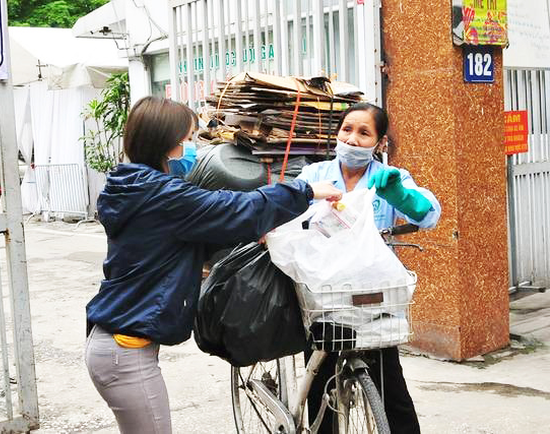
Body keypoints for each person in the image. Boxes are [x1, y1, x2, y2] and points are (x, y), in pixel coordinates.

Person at [84, 96, 342, 434]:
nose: (191, 148)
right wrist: (303, 190)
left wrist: (253, 233)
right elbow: (234, 207)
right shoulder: (162, 195)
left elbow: (183, 241)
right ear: (166, 145)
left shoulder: (135, 189)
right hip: (125, 351)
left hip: (115, 342)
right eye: (187, 139)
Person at [297, 102, 441, 433]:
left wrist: (402, 197)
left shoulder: (389, 177)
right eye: (347, 129)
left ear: (379, 143)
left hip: (371, 296)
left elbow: (429, 214)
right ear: (337, 133)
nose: (352, 138)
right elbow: (285, 211)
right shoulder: (314, 175)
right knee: (321, 383)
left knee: (391, 385)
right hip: (323, 295)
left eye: (364, 133)